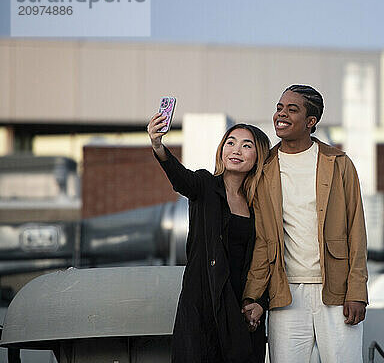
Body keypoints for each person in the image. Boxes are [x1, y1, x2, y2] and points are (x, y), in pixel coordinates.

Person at [242, 85, 369, 363]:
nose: (281, 114)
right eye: (279, 108)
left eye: (291, 109)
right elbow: (264, 240)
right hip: (285, 294)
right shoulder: (265, 168)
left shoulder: (338, 163)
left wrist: (357, 290)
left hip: (336, 292)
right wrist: (252, 294)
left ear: (311, 122)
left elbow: (356, 231)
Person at [147, 113, 270, 363]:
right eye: (231, 142)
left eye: (247, 145)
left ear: (258, 156)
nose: (236, 150)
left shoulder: (259, 204)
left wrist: (260, 303)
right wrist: (158, 146)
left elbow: (265, 257)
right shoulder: (204, 185)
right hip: (203, 304)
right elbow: (180, 178)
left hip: (241, 305)